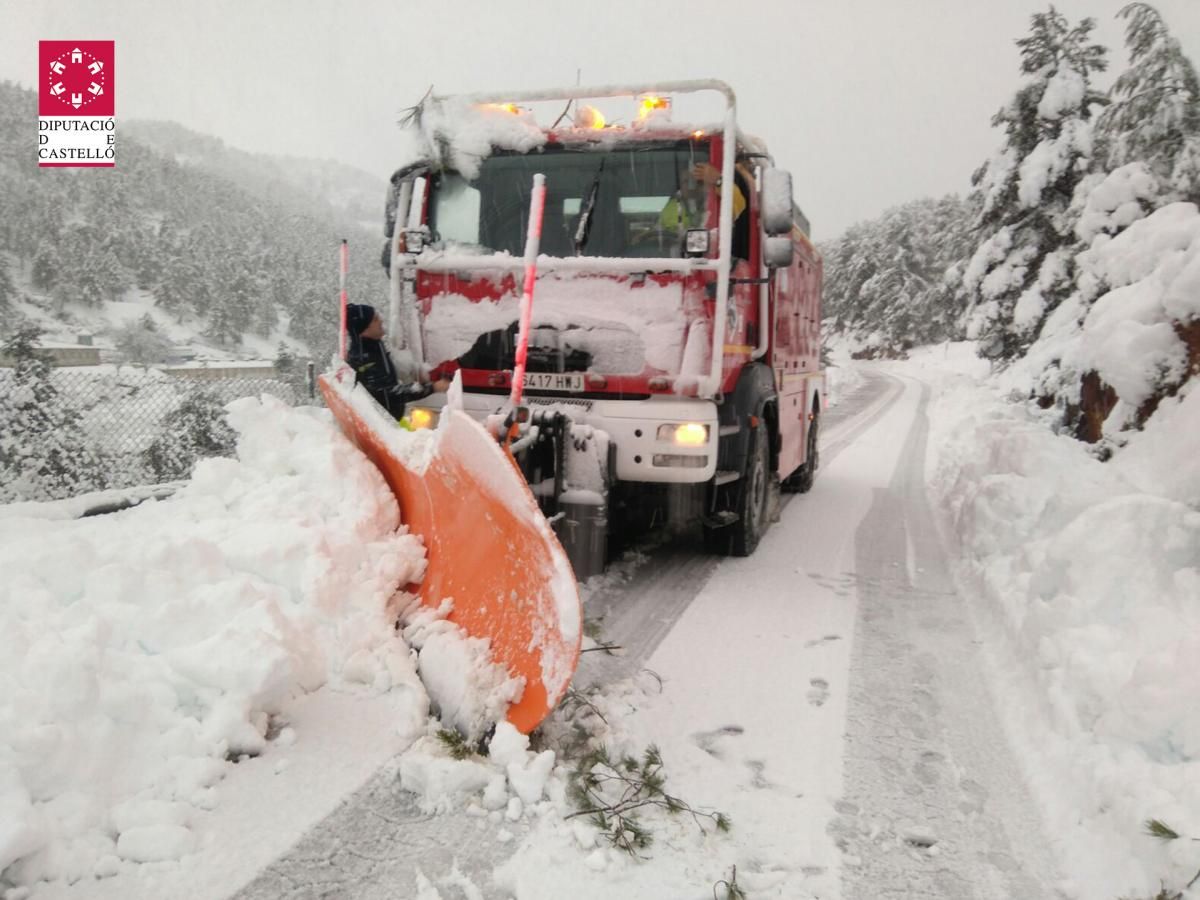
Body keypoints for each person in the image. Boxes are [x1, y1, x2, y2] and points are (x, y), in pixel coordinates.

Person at [345, 303, 448, 418]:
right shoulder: (365, 359)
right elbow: (389, 394)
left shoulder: (374, 347)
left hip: (392, 421)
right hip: (382, 427)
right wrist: (432, 388)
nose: (380, 320)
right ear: (364, 329)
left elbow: (389, 373)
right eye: (375, 319)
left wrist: (415, 371)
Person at [659, 162, 746, 232]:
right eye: (686, 181)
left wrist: (718, 180)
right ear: (680, 185)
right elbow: (657, 234)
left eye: (696, 181)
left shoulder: (717, 202)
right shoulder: (670, 208)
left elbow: (740, 206)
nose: (691, 186)